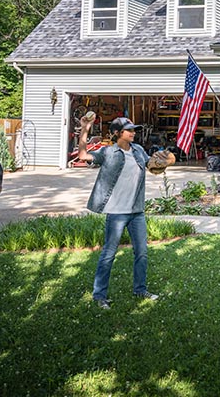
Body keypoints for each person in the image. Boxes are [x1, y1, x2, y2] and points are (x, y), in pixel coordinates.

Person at [77, 115, 161, 310]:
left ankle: (140, 289)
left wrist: (163, 162)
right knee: (109, 253)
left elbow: (152, 166)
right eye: (128, 130)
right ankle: (99, 295)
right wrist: (84, 129)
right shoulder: (107, 152)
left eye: (133, 129)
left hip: (136, 210)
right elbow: (82, 156)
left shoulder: (139, 150)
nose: (133, 132)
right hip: (116, 212)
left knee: (142, 252)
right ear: (117, 133)